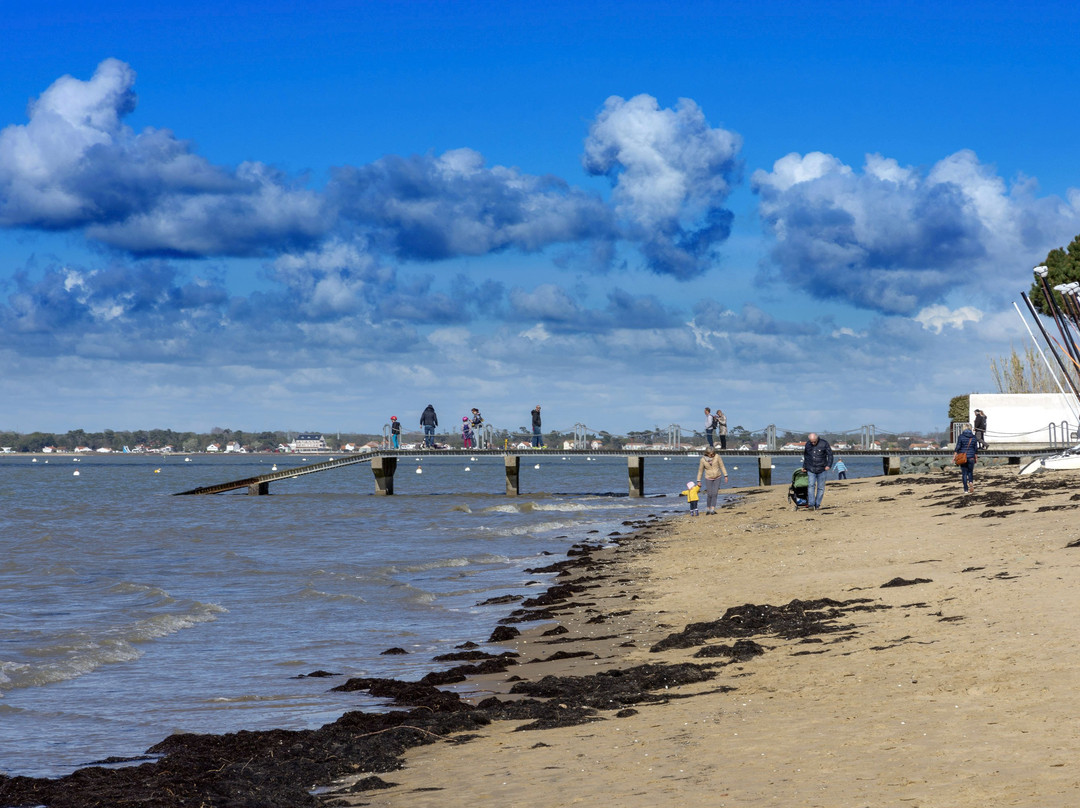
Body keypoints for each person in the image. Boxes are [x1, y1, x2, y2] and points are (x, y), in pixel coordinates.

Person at [801, 433, 834, 510]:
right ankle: (811, 504)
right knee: (811, 486)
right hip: (811, 468)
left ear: (817, 439)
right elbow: (806, 456)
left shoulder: (824, 443)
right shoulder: (807, 444)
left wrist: (828, 465)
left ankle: (817, 504)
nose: (813, 443)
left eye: (814, 442)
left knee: (821, 488)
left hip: (822, 468)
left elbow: (830, 455)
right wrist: (804, 467)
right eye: (811, 442)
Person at [695, 446, 729, 515]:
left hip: (717, 477)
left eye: (713, 453)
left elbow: (722, 466)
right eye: (711, 454)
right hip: (708, 477)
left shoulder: (717, 456)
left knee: (715, 493)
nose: (712, 455)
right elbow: (700, 471)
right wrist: (698, 480)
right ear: (707, 453)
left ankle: (713, 509)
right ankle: (708, 508)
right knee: (709, 494)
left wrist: (725, 475)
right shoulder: (702, 460)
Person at [955, 422, 978, 494]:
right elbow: (975, 448)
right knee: (970, 472)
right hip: (971, 457)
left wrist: (955, 454)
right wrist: (975, 456)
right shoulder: (974, 437)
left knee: (964, 473)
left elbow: (958, 446)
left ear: (963, 428)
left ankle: (965, 489)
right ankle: (970, 482)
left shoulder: (961, 436)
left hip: (963, 457)